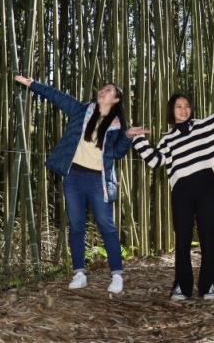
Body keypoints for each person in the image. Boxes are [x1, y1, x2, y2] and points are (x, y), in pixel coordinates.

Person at [127, 86, 214, 300]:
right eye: (179, 106)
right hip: (182, 192)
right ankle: (182, 286)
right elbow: (155, 160)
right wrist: (138, 139)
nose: (183, 109)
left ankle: (209, 286)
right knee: (183, 239)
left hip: (206, 187)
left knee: (208, 237)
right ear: (172, 111)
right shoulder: (167, 139)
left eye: (187, 106)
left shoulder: (204, 125)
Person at [14, 75, 132, 293]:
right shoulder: (82, 110)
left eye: (107, 90)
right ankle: (79, 273)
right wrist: (32, 84)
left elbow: (117, 153)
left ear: (116, 99)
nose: (102, 91)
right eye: (102, 89)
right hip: (74, 176)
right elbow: (57, 97)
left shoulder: (117, 126)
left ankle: (116, 275)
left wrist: (127, 137)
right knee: (76, 225)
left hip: (98, 181)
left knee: (107, 226)